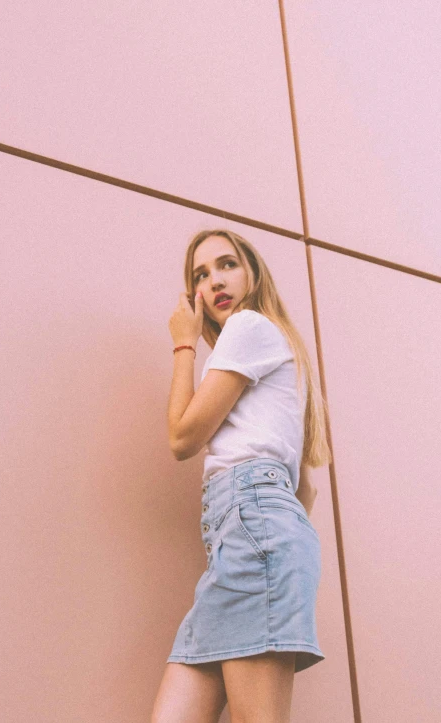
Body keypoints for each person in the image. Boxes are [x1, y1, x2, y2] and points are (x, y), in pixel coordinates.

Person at [151, 229, 332, 723]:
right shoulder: (270, 346)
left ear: (253, 272)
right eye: (201, 276)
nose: (215, 282)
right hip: (241, 543)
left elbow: (183, 438)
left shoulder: (250, 326)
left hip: (253, 536)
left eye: (227, 265)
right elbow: (306, 489)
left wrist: (184, 343)